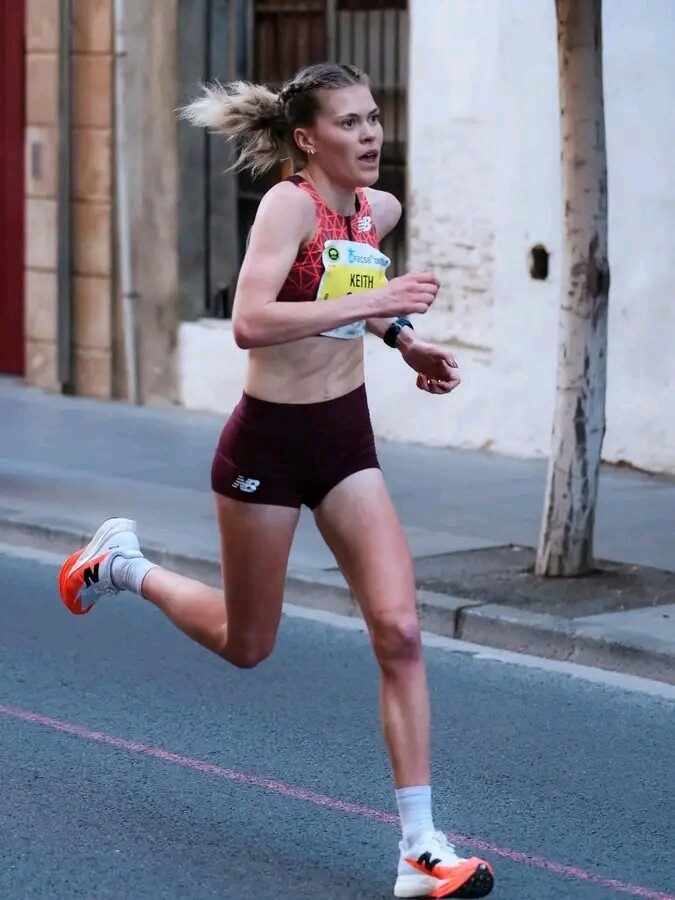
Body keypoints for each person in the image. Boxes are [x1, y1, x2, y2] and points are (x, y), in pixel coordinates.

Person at [57, 63, 494, 899]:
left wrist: (404, 340)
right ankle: (122, 566)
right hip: (267, 445)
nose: (370, 134)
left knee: (399, 631)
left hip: (344, 441)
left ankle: (419, 848)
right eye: (348, 122)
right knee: (246, 642)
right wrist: (379, 304)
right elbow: (251, 321)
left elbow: (357, 295)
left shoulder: (377, 210)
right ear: (306, 138)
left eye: (373, 117)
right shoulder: (287, 207)